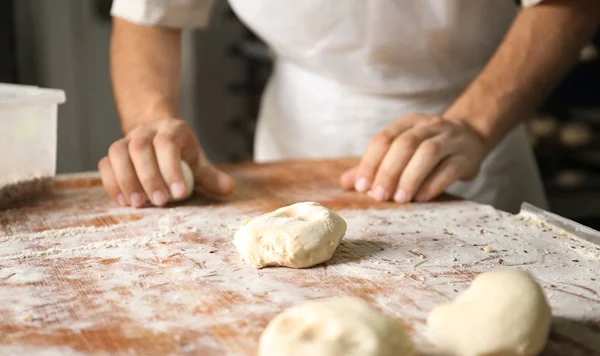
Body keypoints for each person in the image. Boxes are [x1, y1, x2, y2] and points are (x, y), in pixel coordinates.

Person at [99, 0, 600, 213]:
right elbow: (148, 15)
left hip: (471, 132)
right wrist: (151, 127)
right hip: (301, 124)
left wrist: (472, 123)